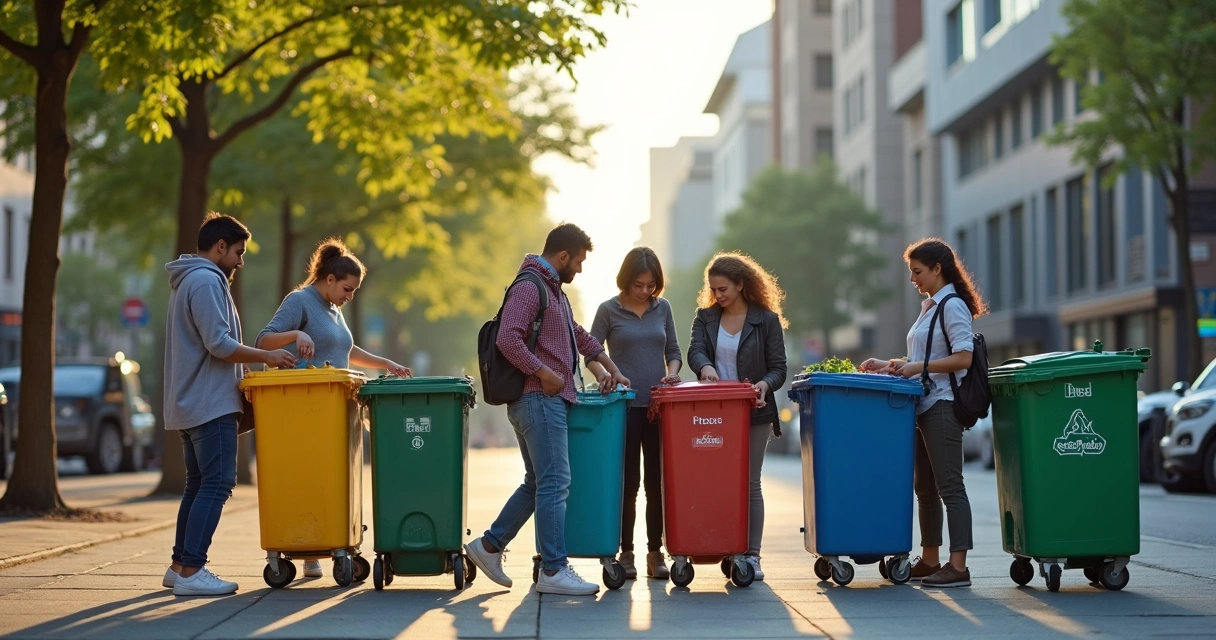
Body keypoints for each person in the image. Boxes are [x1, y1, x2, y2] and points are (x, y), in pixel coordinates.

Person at [464, 223, 631, 596]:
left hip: (540, 400)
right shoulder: (530, 287)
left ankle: (489, 547)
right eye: (579, 261)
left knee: (538, 482)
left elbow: (579, 336)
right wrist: (545, 374)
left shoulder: (553, 292)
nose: (581, 269)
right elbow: (508, 337)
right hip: (538, 398)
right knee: (555, 481)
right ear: (562, 256)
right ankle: (553, 570)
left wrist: (612, 368)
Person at [256, 238, 411, 578]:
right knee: (305, 472)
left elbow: (345, 350)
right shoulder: (300, 301)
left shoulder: (334, 309)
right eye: (347, 288)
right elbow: (263, 341)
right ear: (328, 279)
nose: (350, 296)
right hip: (303, 408)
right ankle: (302, 543)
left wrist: (384, 362)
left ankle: (318, 542)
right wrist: (296, 334)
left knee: (326, 477)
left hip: (335, 408)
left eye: (353, 290)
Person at [162, 213, 297, 596]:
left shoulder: (189, 280)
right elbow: (219, 345)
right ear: (220, 247)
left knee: (197, 484)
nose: (240, 261)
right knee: (217, 484)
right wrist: (268, 357)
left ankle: (179, 566)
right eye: (238, 252)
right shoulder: (206, 281)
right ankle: (192, 570)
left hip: (190, 402)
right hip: (210, 403)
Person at [859, 238, 988, 588]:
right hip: (922, 405)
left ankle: (958, 566)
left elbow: (964, 357)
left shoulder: (952, 306)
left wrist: (916, 367)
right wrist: (890, 364)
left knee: (950, 487)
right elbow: (924, 357)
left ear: (937, 269)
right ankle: (930, 560)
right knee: (925, 488)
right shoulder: (929, 307)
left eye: (917, 272)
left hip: (943, 405)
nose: (913, 278)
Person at [687, 252, 788, 581]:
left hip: (755, 410)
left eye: (724, 289)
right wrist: (705, 367)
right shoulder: (706, 317)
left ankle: (752, 555)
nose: (718, 296)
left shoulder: (766, 320)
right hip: (716, 413)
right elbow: (696, 349)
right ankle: (727, 545)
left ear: (742, 284)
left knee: (749, 483)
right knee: (716, 482)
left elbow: (779, 368)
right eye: (714, 289)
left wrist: (763, 385)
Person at [586, 247, 682, 580]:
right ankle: (625, 552)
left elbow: (674, 351)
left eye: (651, 285)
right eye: (638, 284)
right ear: (626, 280)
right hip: (622, 409)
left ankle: (655, 553)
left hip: (657, 408)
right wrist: (604, 376)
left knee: (656, 483)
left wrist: (672, 372)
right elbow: (591, 353)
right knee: (627, 483)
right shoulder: (608, 310)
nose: (645, 291)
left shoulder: (663, 308)